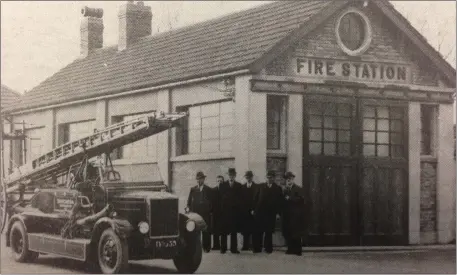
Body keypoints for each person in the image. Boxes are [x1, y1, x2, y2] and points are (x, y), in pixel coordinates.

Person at [253, 170, 283, 254]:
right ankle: (257, 248)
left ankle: (268, 248)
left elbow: (280, 202)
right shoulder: (260, 187)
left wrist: (278, 213)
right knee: (259, 231)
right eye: (268, 177)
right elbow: (255, 199)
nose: (269, 179)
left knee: (269, 231)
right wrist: (253, 210)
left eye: (271, 177)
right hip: (260, 213)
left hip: (271, 214)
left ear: (274, 178)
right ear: (266, 178)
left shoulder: (277, 188)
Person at [186, 171, 212, 252]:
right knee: (195, 230)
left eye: (200, 179)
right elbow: (189, 201)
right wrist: (188, 209)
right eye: (197, 179)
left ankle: (206, 247)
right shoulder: (193, 189)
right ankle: (196, 247)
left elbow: (211, 201)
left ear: (203, 179)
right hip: (196, 213)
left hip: (205, 213)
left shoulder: (208, 189)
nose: (198, 181)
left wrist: (210, 210)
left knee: (205, 230)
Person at [219, 168, 242, 254]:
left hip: (234, 212)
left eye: (232, 175)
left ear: (235, 176)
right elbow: (220, 199)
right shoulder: (223, 185)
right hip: (225, 212)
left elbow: (240, 200)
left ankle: (233, 249)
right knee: (224, 231)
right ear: (228, 176)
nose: (231, 177)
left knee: (234, 231)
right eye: (229, 175)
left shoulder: (239, 186)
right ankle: (223, 248)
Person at [281, 171, 305, 256]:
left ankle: (298, 250)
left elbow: (301, 200)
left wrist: (290, 198)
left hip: (295, 215)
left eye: (290, 179)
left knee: (296, 232)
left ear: (293, 179)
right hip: (287, 215)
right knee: (287, 232)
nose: (288, 181)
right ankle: (290, 249)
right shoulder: (285, 190)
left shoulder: (298, 189)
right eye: (287, 179)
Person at [240, 170, 258, 251]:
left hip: (254, 212)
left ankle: (255, 246)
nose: (248, 179)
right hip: (245, 212)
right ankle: (245, 246)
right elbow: (242, 200)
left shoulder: (256, 187)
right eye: (247, 177)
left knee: (254, 229)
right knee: (245, 230)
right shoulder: (243, 187)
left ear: (252, 177)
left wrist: (254, 209)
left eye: (249, 177)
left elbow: (258, 199)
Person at [211, 175, 224, 251]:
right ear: (216, 182)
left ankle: (223, 246)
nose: (219, 182)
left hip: (223, 213)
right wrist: (211, 211)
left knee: (222, 230)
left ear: (223, 182)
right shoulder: (213, 190)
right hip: (215, 213)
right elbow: (211, 202)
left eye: (221, 181)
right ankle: (216, 245)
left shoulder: (226, 190)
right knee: (215, 229)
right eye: (218, 181)